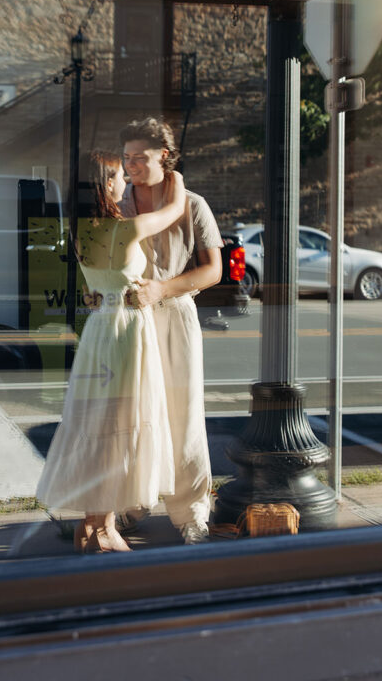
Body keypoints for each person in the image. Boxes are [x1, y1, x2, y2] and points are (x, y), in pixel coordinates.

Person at [36, 150, 187, 553]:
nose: (126, 181)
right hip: (125, 331)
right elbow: (174, 209)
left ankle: (91, 525)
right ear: (105, 184)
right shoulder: (124, 230)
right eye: (121, 175)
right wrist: (174, 177)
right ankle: (102, 530)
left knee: (99, 425)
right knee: (118, 427)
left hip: (100, 327)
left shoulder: (81, 230)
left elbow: (95, 283)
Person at [119, 118, 222, 544]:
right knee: (130, 414)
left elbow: (213, 270)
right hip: (127, 318)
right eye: (126, 158)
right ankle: (130, 504)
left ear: (164, 155)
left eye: (139, 158)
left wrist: (162, 288)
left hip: (176, 313)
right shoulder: (116, 203)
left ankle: (191, 514)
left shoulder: (193, 204)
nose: (130, 167)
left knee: (183, 415)